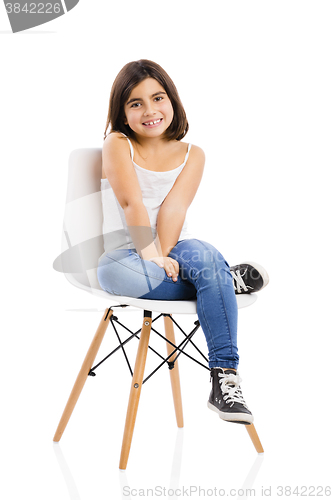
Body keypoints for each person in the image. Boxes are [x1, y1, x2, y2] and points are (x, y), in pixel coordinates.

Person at [97, 59, 269, 425]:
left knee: (205, 257)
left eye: (157, 98)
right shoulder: (117, 143)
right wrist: (150, 254)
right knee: (116, 276)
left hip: (176, 247)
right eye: (135, 103)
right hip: (126, 255)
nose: (149, 110)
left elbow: (174, 208)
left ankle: (224, 378)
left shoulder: (193, 154)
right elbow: (133, 203)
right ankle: (222, 283)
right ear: (123, 113)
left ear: (172, 101)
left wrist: (162, 252)